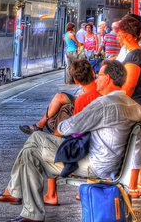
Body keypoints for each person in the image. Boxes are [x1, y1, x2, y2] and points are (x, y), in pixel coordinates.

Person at [0, 60, 141, 222]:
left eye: (99, 75)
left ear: (107, 79)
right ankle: (28, 209)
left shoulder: (102, 104)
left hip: (95, 165)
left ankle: (15, 193)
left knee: (35, 139)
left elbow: (66, 127)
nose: (96, 78)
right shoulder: (131, 104)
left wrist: (64, 121)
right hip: (111, 164)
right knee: (30, 154)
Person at [18, 58, 101, 205]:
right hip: (98, 146)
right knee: (45, 140)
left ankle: (48, 194)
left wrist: (57, 133)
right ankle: (17, 191)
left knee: (43, 147)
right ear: (94, 73)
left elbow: (76, 130)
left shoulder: (83, 100)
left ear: (75, 79)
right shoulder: (101, 92)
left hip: (87, 152)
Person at [116, 16, 141, 198]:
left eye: (121, 33)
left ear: (128, 35)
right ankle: (137, 185)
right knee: (139, 146)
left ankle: (131, 186)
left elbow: (129, 87)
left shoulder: (135, 55)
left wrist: (114, 102)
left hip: (136, 107)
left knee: (134, 146)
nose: (118, 37)